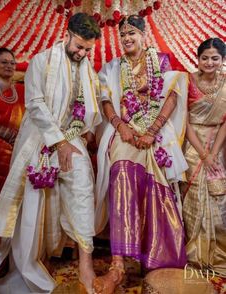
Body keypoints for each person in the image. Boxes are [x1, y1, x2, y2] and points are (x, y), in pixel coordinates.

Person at [0, 13, 101, 293]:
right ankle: (29, 262)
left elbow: (91, 104)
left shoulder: (87, 66)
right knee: (33, 199)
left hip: (70, 136)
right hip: (40, 135)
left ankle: (86, 263)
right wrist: (58, 142)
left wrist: (81, 135)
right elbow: (36, 104)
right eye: (79, 46)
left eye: (88, 49)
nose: (82, 53)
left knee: (83, 183)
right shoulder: (42, 61)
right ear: (67, 35)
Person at [93, 15, 188, 294]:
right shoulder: (113, 67)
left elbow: (172, 94)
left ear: (144, 35)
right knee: (122, 170)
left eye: (132, 33)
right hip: (123, 131)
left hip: (155, 132)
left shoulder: (160, 61)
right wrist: (120, 125)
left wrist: (154, 130)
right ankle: (118, 266)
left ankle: (157, 255)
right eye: (123, 35)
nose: (127, 39)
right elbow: (106, 99)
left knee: (155, 175)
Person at [182, 38, 226, 277]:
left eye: (215, 58)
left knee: (218, 196)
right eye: (205, 58)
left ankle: (216, 253)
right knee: (192, 197)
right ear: (198, 59)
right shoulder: (187, 81)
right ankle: (194, 254)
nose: (209, 62)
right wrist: (201, 153)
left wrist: (214, 153)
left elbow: (225, 122)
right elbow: (184, 121)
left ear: (223, 60)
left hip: (218, 144)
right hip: (191, 145)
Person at [0, 47, 25, 279]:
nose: (10, 66)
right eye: (4, 62)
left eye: (12, 63)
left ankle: (4, 259)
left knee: (11, 204)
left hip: (16, 154)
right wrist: (6, 134)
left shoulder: (20, 91)